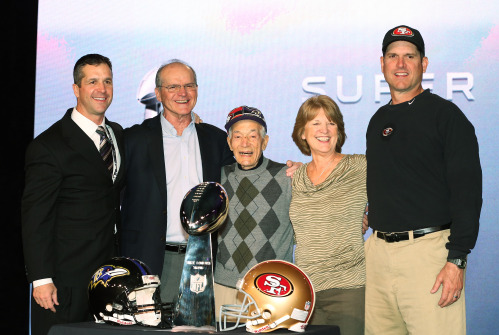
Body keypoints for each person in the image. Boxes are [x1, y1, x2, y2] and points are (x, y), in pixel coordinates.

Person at [365, 25, 482, 335]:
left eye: (409, 56)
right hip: (377, 255)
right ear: (382, 63)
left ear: (424, 64)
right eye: (393, 56)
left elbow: (468, 193)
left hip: (428, 255)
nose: (400, 64)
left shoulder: (445, 116)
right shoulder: (377, 121)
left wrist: (457, 260)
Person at [21, 54, 124, 335]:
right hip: (63, 283)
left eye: (107, 81)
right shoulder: (49, 146)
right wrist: (41, 280)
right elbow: (35, 219)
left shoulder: (116, 134)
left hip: (107, 280)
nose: (101, 89)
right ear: (76, 89)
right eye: (92, 82)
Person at [120, 59, 235, 304]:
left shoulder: (217, 140)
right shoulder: (132, 140)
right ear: (158, 94)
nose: (182, 93)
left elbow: (247, 174)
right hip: (149, 262)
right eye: (173, 87)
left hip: (205, 262)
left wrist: (292, 168)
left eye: (189, 85)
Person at [289, 95, 366, 334]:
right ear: (302, 133)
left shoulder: (360, 166)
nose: (324, 130)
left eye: (331, 123)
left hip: (348, 288)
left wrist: (370, 216)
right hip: (304, 293)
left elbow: (399, 197)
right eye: (315, 123)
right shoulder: (294, 177)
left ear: (339, 131)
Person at [214, 106, 295, 313]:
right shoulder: (218, 178)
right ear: (229, 143)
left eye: (253, 136)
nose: (245, 143)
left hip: (271, 287)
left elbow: (313, 218)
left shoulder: (287, 177)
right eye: (238, 136)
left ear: (265, 142)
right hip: (224, 287)